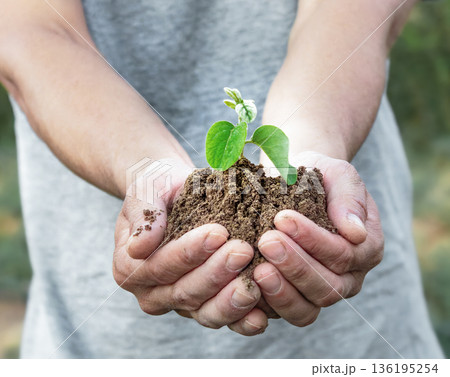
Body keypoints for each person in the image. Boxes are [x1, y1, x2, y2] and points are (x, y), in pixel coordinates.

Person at [0, 0, 443, 358]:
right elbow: (32, 30)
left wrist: (313, 150)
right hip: (97, 341)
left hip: (357, 344)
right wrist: (146, 171)